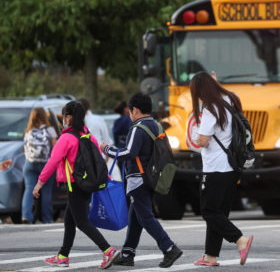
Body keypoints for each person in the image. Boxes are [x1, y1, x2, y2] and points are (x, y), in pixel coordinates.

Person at [32, 101, 119, 269]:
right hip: (86, 183)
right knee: (70, 220)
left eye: (64, 116)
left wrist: (40, 183)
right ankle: (63, 256)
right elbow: (97, 158)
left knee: (81, 221)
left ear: (69, 117)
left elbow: (53, 161)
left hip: (74, 184)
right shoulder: (87, 134)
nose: (62, 119)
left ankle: (108, 250)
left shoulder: (66, 138)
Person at [100, 93, 182, 268]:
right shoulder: (156, 126)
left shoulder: (138, 127)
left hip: (138, 178)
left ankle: (169, 248)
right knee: (136, 216)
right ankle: (128, 253)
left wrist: (107, 149)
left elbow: (128, 153)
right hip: (152, 177)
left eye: (130, 111)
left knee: (145, 216)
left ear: (134, 110)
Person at [189, 71, 253, 266]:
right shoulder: (230, 99)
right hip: (232, 166)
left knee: (209, 212)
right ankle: (210, 256)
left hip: (215, 167)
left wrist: (197, 134)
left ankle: (240, 240)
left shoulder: (211, 109)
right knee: (219, 213)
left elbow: (203, 140)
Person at [22, 107, 57, 224]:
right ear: (44, 116)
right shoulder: (50, 130)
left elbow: (25, 148)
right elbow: (56, 147)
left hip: (29, 164)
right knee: (46, 192)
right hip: (45, 164)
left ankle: (26, 216)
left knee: (29, 190)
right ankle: (47, 219)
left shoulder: (28, 130)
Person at [112, 101, 132, 178]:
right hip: (130, 153)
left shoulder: (117, 122)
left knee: (123, 177)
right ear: (125, 109)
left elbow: (115, 140)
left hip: (120, 152)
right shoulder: (129, 119)